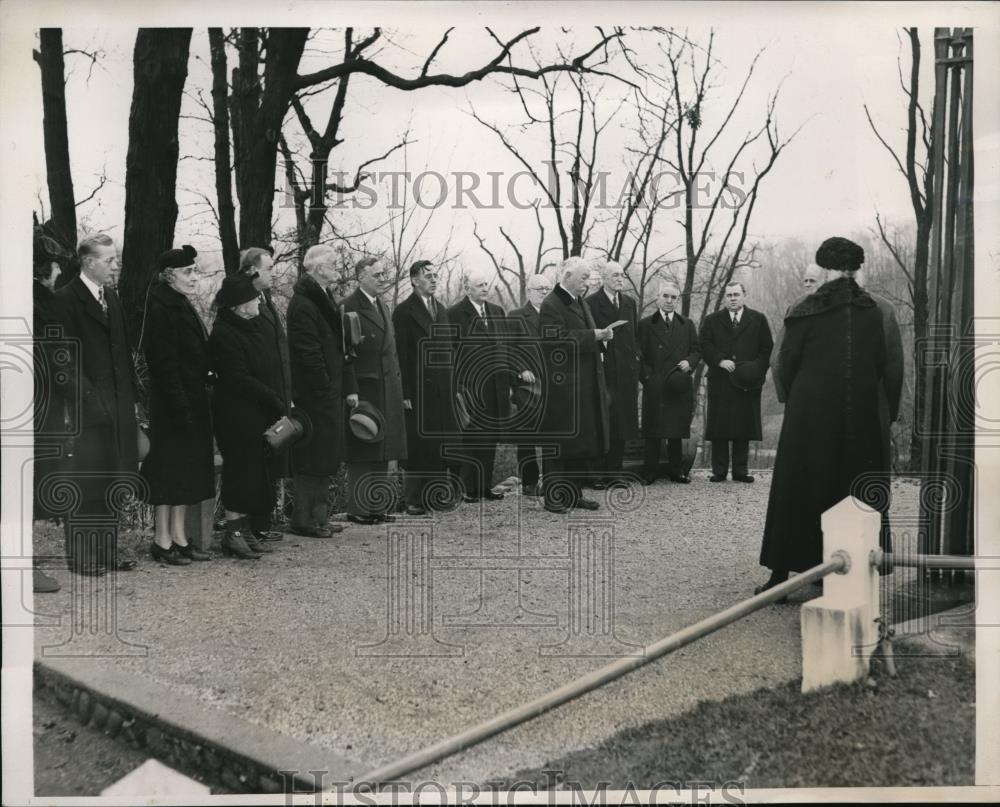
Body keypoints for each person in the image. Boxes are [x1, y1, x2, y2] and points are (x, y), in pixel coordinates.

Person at [757, 237, 901, 596]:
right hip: (862, 417)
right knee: (852, 490)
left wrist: (799, 401)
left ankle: (782, 575)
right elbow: (887, 367)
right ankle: (848, 569)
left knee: (799, 489)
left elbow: (783, 363)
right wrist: (882, 414)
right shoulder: (876, 311)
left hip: (809, 416)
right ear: (856, 269)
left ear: (824, 269)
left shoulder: (804, 309)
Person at [52, 233, 139, 576]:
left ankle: (106, 551)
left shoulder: (111, 298)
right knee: (87, 483)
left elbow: (123, 355)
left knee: (113, 478)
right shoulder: (65, 301)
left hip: (117, 405)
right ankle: (81, 556)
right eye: (109, 260)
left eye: (115, 259)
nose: (115, 266)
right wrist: (89, 401)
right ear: (89, 262)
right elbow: (64, 362)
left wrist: (132, 401)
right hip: (86, 411)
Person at [139, 245, 214, 565]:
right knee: (170, 474)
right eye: (188, 272)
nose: (194, 277)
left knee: (185, 473)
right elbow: (164, 365)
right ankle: (162, 540)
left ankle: (180, 536)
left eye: (195, 271)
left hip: (189, 400)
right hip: (173, 405)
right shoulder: (161, 306)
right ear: (169, 277)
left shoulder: (179, 302)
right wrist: (180, 407)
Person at [209, 274, 286, 558]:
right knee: (238, 472)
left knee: (253, 473)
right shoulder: (224, 333)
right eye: (253, 298)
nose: (258, 301)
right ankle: (233, 532)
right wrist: (272, 397)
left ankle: (245, 529)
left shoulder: (252, 327)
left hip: (257, 412)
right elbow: (238, 378)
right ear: (240, 305)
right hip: (236, 415)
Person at [286, 245, 358, 537]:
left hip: (327, 392)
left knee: (325, 456)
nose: (337, 266)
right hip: (315, 395)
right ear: (316, 268)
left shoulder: (323, 297)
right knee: (313, 457)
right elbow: (308, 351)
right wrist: (325, 385)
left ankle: (319, 517)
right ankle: (305, 520)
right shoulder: (303, 303)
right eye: (331, 263)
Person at [538, 257, 611, 513]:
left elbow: (581, 334)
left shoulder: (579, 301)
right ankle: (554, 498)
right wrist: (594, 335)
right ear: (567, 275)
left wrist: (600, 337)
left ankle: (573, 494)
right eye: (583, 277)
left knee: (578, 444)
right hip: (562, 389)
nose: (587, 282)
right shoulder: (551, 304)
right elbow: (554, 341)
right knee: (559, 444)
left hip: (582, 386)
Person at [447, 268, 521, 503]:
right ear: (468, 288)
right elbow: (452, 352)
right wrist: (458, 386)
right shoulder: (455, 313)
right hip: (471, 387)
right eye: (479, 285)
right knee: (472, 438)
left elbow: (506, 349)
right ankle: (468, 489)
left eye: (487, 284)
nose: (485, 289)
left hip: (496, 386)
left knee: (490, 438)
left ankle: (484, 486)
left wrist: (509, 381)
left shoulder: (497, 312)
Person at [392, 260, 459, 515]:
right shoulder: (403, 311)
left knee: (440, 444)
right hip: (418, 390)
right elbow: (401, 354)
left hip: (443, 389)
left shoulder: (441, 309)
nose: (434, 279)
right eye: (428, 276)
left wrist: (454, 385)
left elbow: (450, 350)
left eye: (435, 275)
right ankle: (414, 499)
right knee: (418, 445)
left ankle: (438, 496)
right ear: (414, 280)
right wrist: (405, 392)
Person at [342, 257, 406, 525]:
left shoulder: (382, 304)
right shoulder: (348, 306)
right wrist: (351, 388)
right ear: (361, 277)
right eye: (376, 275)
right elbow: (345, 353)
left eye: (383, 274)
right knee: (363, 447)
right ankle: (358, 509)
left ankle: (376, 506)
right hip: (365, 387)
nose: (382, 278)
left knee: (382, 449)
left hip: (387, 385)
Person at [236, 247, 291, 543]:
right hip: (256, 396)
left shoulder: (265, 299)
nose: (273, 273)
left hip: (273, 392)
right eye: (268, 268)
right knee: (256, 462)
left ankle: (262, 523)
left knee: (270, 460)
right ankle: (252, 525)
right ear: (251, 271)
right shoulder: (240, 301)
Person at [699, 281, 774, 483]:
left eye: (736, 294)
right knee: (720, 427)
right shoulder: (712, 320)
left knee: (744, 425)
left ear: (744, 295)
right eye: (729, 295)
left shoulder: (758, 319)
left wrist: (755, 369)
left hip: (747, 382)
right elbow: (704, 345)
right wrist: (719, 360)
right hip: (720, 380)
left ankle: (741, 471)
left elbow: (767, 348)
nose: (733, 298)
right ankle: (719, 471)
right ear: (725, 297)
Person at [32, 230, 70, 592]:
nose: (60, 271)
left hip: (37, 408)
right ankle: (23, 567)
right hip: (36, 412)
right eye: (56, 264)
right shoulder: (39, 305)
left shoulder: (39, 302)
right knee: (25, 486)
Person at [638, 281, 701, 484]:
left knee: (675, 431)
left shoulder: (687, 324)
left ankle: (677, 471)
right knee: (653, 432)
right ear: (658, 298)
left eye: (674, 297)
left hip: (677, 384)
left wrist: (689, 363)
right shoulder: (645, 325)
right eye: (665, 296)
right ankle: (649, 472)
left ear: (677, 300)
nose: (669, 301)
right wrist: (648, 378)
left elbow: (696, 350)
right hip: (655, 384)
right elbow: (638, 354)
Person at [585, 259, 640, 488]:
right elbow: (589, 337)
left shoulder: (629, 303)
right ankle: (596, 474)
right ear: (604, 278)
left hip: (626, 373)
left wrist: (635, 361)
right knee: (602, 424)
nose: (620, 279)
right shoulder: (590, 303)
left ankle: (615, 472)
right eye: (615, 275)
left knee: (623, 425)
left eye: (622, 275)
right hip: (604, 373)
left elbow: (633, 336)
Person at [509, 273, 552, 497]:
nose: (544, 292)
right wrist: (520, 369)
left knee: (551, 435)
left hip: (552, 385)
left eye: (547, 288)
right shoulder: (516, 316)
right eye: (539, 289)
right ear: (529, 292)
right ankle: (529, 482)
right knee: (526, 436)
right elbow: (507, 351)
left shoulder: (553, 316)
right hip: (527, 386)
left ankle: (551, 481)